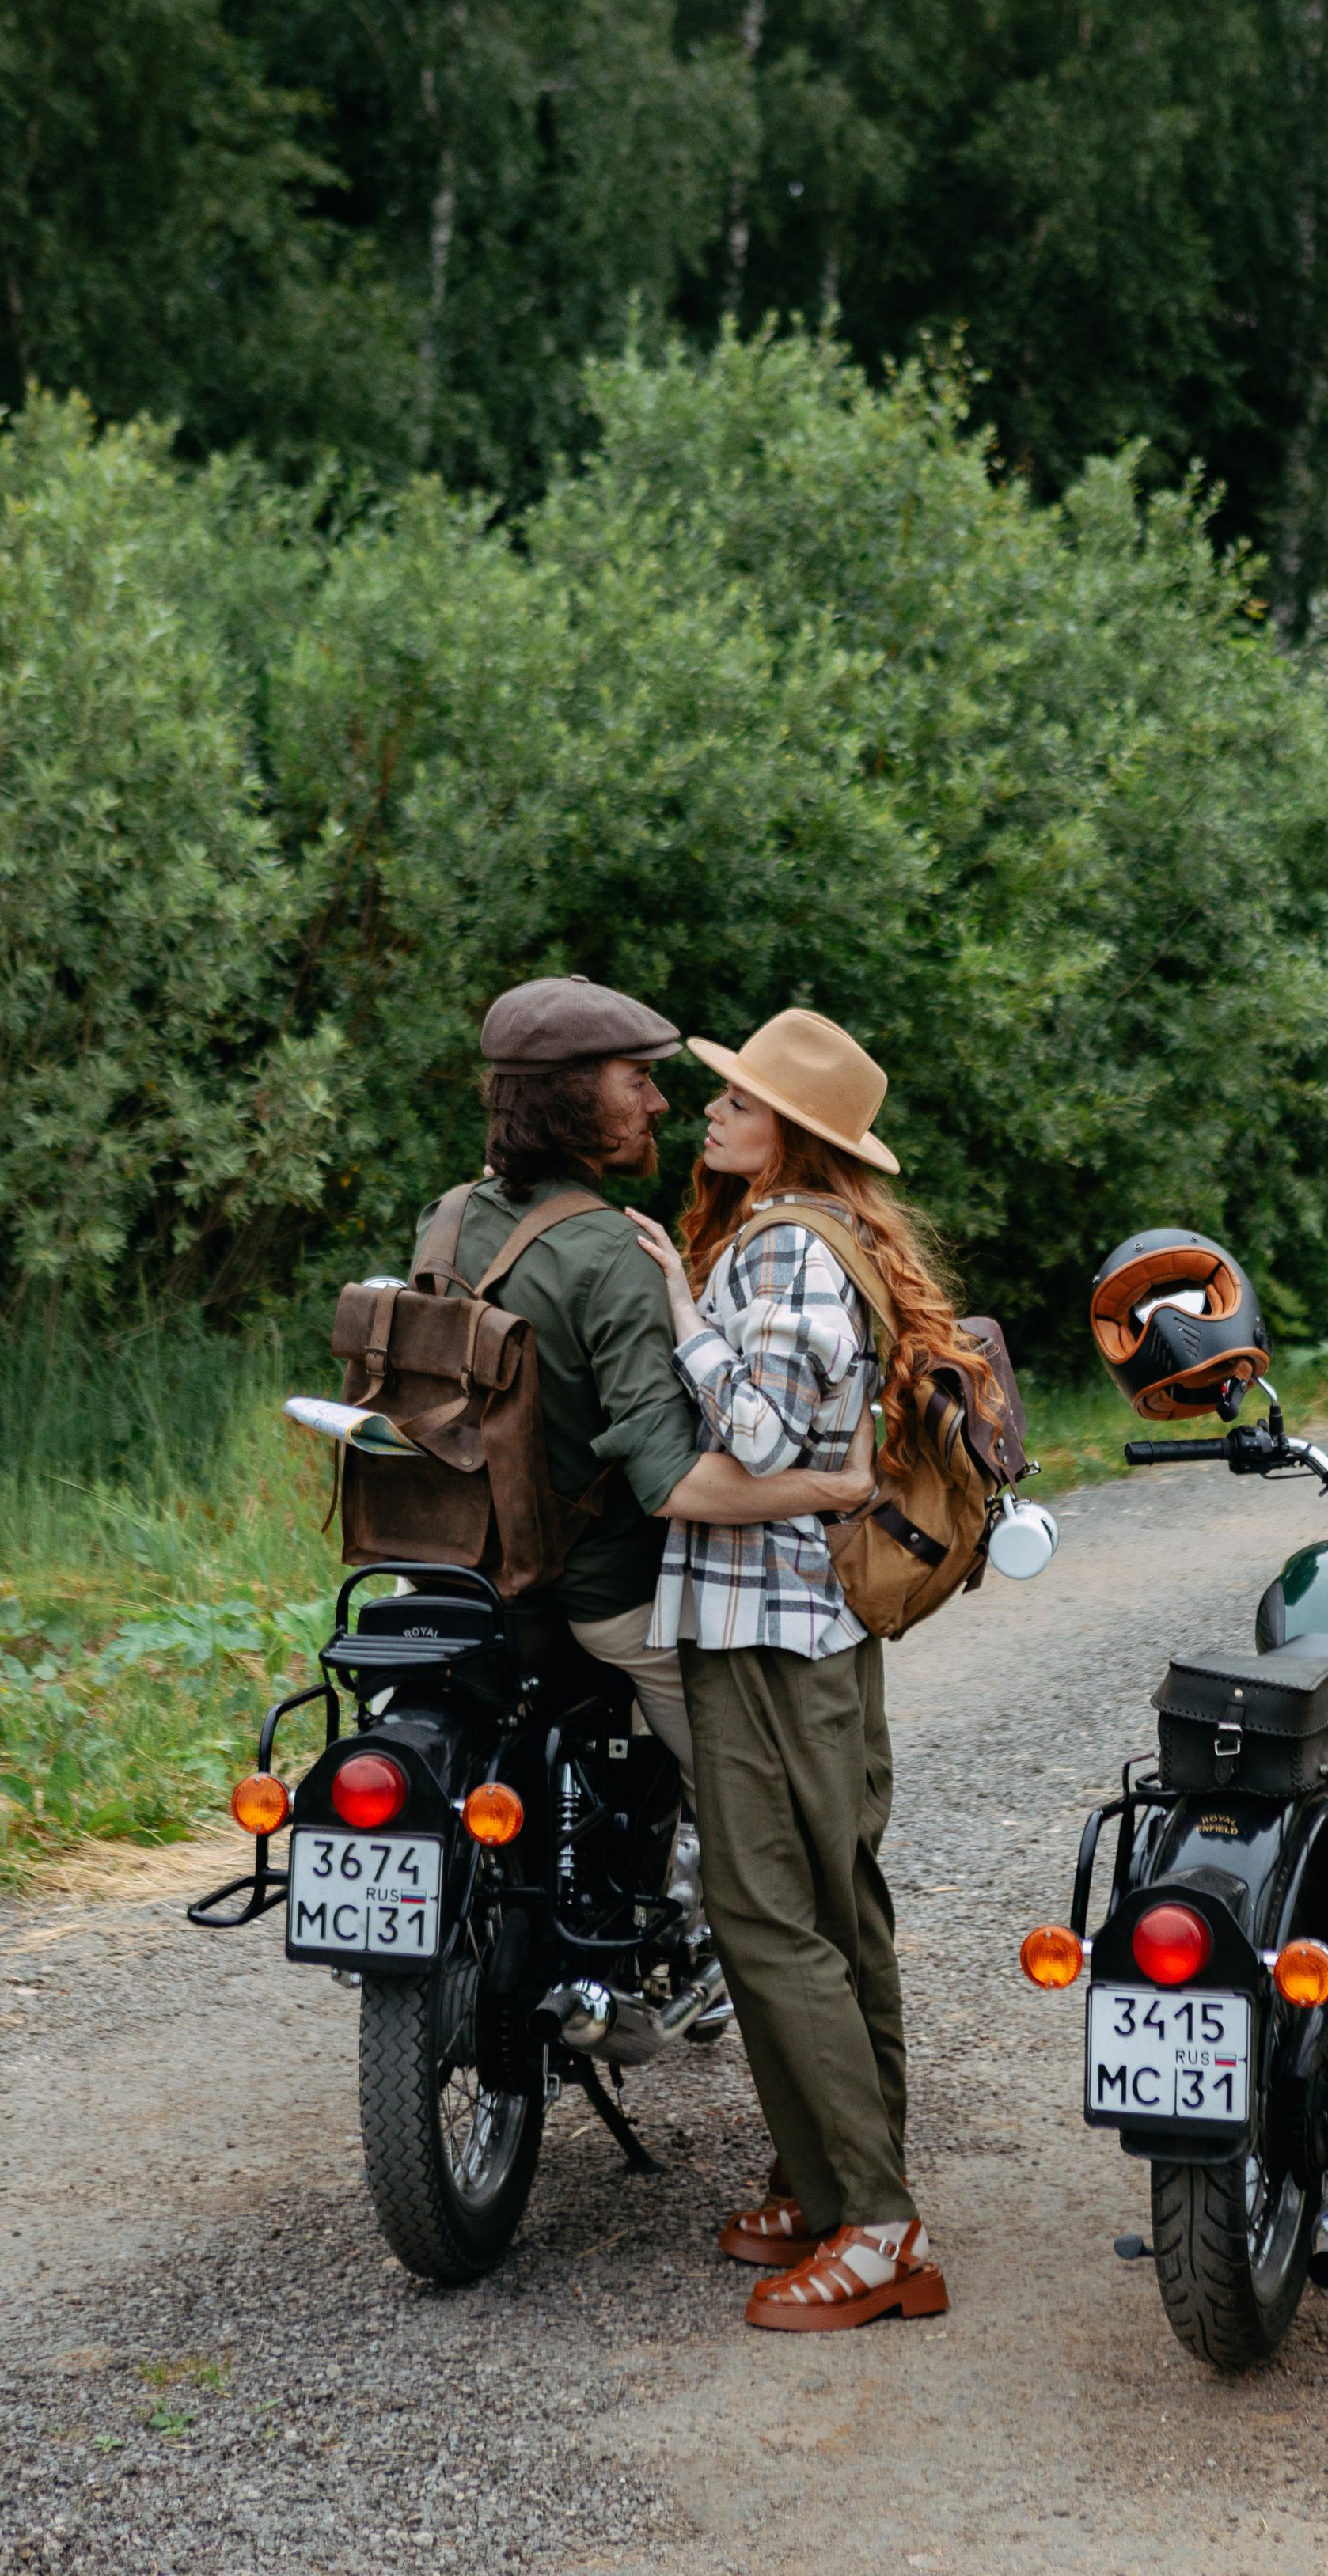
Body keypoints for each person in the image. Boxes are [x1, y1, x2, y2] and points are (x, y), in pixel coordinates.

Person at [632, 1006, 995, 2333]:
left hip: (765, 1627)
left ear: (783, 1131)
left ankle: (880, 2229)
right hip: (815, 1630)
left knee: (767, 1915)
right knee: (837, 1911)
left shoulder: (776, 1251)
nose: (711, 1113)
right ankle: (830, 2177)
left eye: (735, 1101)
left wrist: (679, 1304)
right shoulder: (816, 1240)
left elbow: (763, 1429)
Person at [418, 977, 878, 1934]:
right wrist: (834, 1483)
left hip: (462, 1565)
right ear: (571, 1095)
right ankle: (714, 1917)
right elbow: (670, 1483)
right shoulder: (610, 1254)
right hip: (603, 1589)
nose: (662, 1103)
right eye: (638, 1081)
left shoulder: (450, 1216)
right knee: (754, 1807)